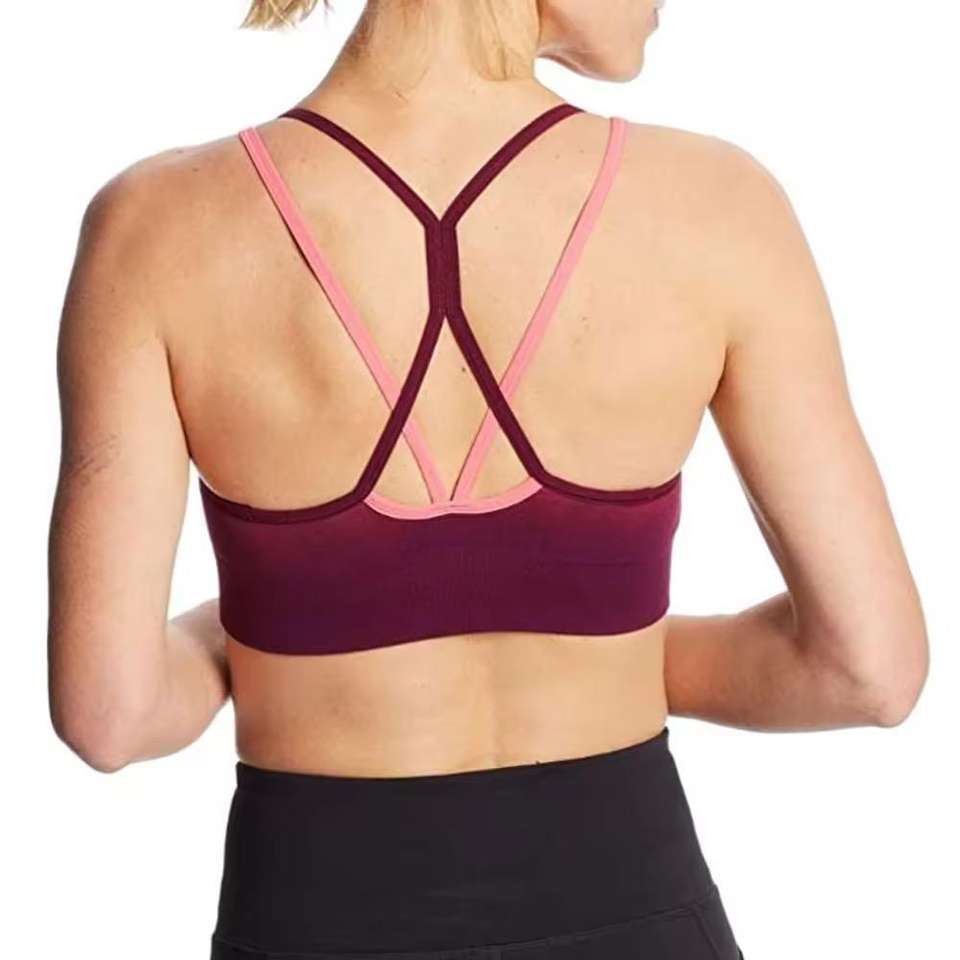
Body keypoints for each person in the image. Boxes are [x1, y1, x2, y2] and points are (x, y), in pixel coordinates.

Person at [47, 1, 929, 958]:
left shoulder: (157, 227)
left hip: (311, 921)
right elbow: (867, 671)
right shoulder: (721, 209)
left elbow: (112, 714)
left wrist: (251, 634)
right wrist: (612, 654)